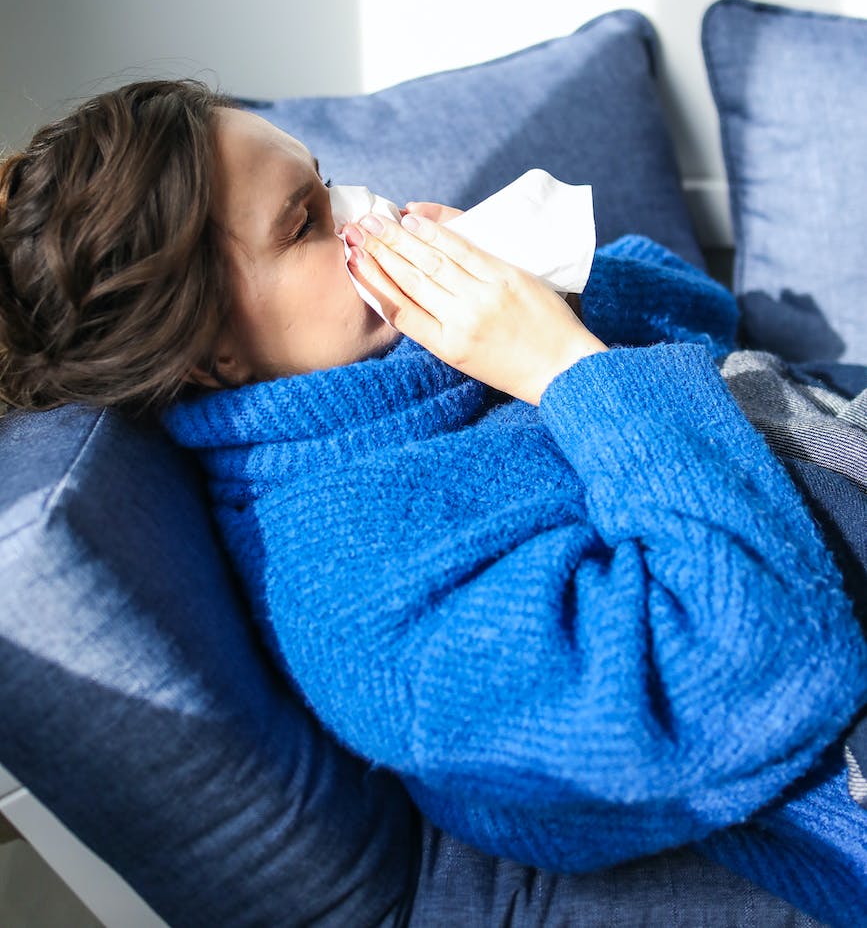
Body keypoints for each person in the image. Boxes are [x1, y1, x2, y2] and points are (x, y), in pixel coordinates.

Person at [1, 79, 866, 926]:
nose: (368, 210)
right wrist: (565, 372)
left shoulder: (421, 358)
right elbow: (751, 671)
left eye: (328, 178)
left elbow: (708, 318)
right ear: (206, 351)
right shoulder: (354, 591)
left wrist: (550, 296)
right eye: (307, 221)